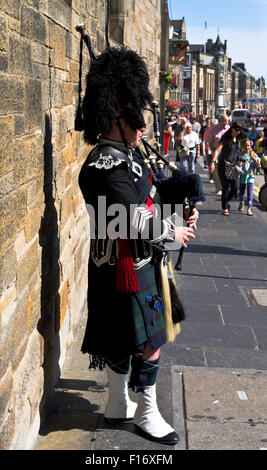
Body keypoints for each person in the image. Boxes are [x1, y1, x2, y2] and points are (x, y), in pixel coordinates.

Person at [78, 47, 202, 445]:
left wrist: (180, 207)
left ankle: (117, 403)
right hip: (124, 265)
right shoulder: (103, 167)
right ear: (117, 115)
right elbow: (130, 218)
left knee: (122, 337)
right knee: (147, 343)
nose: (144, 125)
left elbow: (148, 196)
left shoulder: (124, 157)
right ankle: (145, 412)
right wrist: (174, 233)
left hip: (131, 262)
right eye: (136, 116)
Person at [210, 121, 244, 215]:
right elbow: (217, 151)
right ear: (232, 128)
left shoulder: (238, 140)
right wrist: (212, 162)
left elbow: (237, 153)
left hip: (234, 167)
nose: (237, 132)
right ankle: (224, 207)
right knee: (226, 187)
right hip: (223, 166)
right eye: (236, 129)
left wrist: (240, 159)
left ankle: (226, 201)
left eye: (239, 130)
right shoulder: (225, 138)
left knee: (235, 188)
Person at [205, 114, 230, 196]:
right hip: (216, 151)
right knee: (216, 170)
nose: (227, 122)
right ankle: (219, 188)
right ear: (220, 121)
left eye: (227, 121)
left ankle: (226, 187)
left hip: (227, 152)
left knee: (227, 169)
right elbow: (209, 141)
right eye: (225, 121)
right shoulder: (214, 129)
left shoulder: (229, 129)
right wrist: (213, 151)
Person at [238, 138, 261, 216]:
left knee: (250, 194)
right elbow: (236, 163)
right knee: (241, 193)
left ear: (250, 145)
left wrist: (256, 161)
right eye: (245, 145)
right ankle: (241, 202)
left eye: (248, 145)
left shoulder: (253, 154)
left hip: (250, 177)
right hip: (242, 177)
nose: (247, 147)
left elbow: (258, 165)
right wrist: (239, 163)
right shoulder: (240, 154)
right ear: (242, 146)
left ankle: (249, 208)